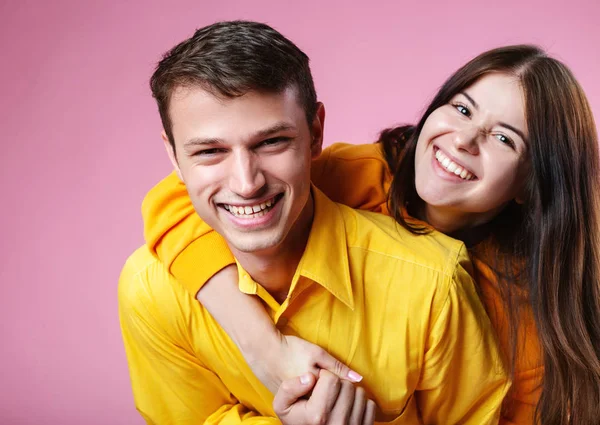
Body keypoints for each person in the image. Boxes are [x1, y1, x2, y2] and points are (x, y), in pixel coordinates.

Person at [141, 43, 600, 425]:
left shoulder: (530, 312)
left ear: (531, 183)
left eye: (504, 138)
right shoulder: (354, 176)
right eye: (461, 108)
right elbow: (182, 196)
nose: (463, 140)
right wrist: (264, 347)